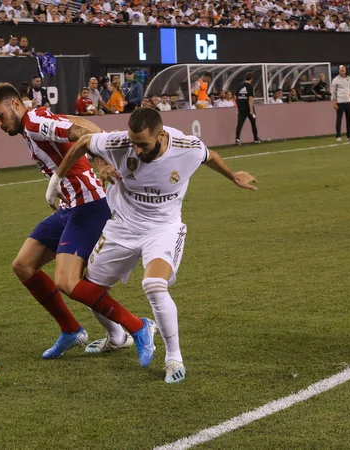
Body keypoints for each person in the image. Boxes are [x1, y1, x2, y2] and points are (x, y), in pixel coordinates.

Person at [45, 107, 257, 383]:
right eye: (133, 142)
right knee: (91, 292)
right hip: (122, 226)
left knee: (154, 285)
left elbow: (210, 156)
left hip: (163, 228)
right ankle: (116, 337)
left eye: (142, 144)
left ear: (161, 135)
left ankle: (173, 358)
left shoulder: (186, 147)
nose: (135, 149)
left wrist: (234, 176)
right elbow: (84, 142)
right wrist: (58, 178)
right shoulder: (121, 142)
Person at [0, 83, 156, 366]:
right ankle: (72, 330)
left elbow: (80, 133)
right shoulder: (36, 120)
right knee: (23, 265)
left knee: (67, 281)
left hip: (90, 206)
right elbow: (82, 123)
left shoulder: (35, 122)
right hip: (70, 208)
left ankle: (138, 326)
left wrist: (99, 161)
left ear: (14, 105)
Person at [331, 65, 350, 141]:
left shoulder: (349, 78)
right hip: (340, 102)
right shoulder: (335, 80)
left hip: (348, 101)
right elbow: (333, 92)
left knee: (349, 119)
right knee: (339, 119)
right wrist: (334, 102)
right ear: (339, 71)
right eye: (341, 70)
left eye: (343, 70)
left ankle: (349, 135)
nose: (342, 71)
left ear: (345, 70)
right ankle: (338, 136)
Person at [235, 72, 261, 145]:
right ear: (251, 79)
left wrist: (239, 106)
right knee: (253, 124)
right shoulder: (251, 87)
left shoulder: (239, 87)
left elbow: (235, 97)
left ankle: (237, 139)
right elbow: (250, 99)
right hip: (248, 108)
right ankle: (256, 139)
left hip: (241, 109)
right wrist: (251, 110)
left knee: (239, 124)